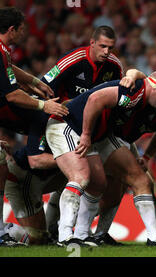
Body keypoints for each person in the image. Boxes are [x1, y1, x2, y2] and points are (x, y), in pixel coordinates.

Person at [45, 70, 156, 247]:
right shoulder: (132, 93)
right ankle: (65, 236)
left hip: (99, 135)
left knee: (130, 180)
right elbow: (95, 99)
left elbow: (139, 74)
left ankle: (153, 237)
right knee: (80, 177)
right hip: (70, 126)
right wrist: (86, 134)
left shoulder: (146, 98)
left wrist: (134, 74)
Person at [40, 25, 124, 244]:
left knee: (96, 183)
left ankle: (82, 235)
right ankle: (64, 235)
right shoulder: (73, 60)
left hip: (90, 132)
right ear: (92, 42)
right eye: (103, 46)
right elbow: (43, 87)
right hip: (63, 125)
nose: (107, 51)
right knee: (79, 177)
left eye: (111, 47)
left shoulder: (114, 66)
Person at [0, 6, 68, 246]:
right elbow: (12, 96)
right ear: (12, 29)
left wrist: (33, 80)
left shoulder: (3, 52)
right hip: (25, 173)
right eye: (21, 29)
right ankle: (2, 232)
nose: (24, 33)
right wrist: (43, 106)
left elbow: (9, 70)